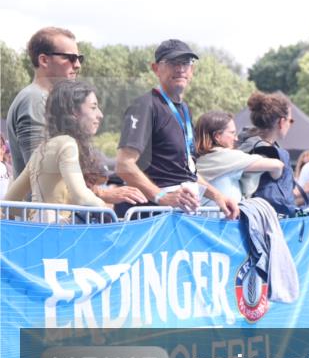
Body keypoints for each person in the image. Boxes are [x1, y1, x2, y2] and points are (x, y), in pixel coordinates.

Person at [114, 40, 237, 219]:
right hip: (149, 217)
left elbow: (187, 172)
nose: (180, 69)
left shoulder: (184, 109)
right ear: (156, 68)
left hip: (178, 213)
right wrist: (160, 196)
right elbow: (123, 165)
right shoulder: (144, 105)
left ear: (192, 71)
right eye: (172, 63)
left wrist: (218, 196)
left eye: (186, 63)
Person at [6, 81, 144, 220]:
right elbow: (82, 197)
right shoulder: (67, 143)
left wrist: (37, 213)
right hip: (63, 236)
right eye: (93, 107)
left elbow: (10, 202)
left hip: (41, 234)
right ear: (73, 112)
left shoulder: (42, 149)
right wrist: (109, 216)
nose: (100, 114)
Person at [6, 27, 82, 178]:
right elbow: (40, 173)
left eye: (80, 58)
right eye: (70, 58)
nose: (78, 65)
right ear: (44, 60)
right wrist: (101, 194)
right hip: (44, 201)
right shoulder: (34, 100)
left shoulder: (44, 100)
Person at [193, 111, 285, 205]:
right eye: (232, 133)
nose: (236, 138)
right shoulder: (227, 156)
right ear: (217, 136)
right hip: (224, 217)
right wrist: (275, 176)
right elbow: (277, 165)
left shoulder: (195, 158)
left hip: (201, 217)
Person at [238, 92, 298, 216]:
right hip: (264, 221)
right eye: (290, 120)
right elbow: (280, 198)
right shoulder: (270, 152)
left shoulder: (243, 144)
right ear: (281, 122)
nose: (290, 124)